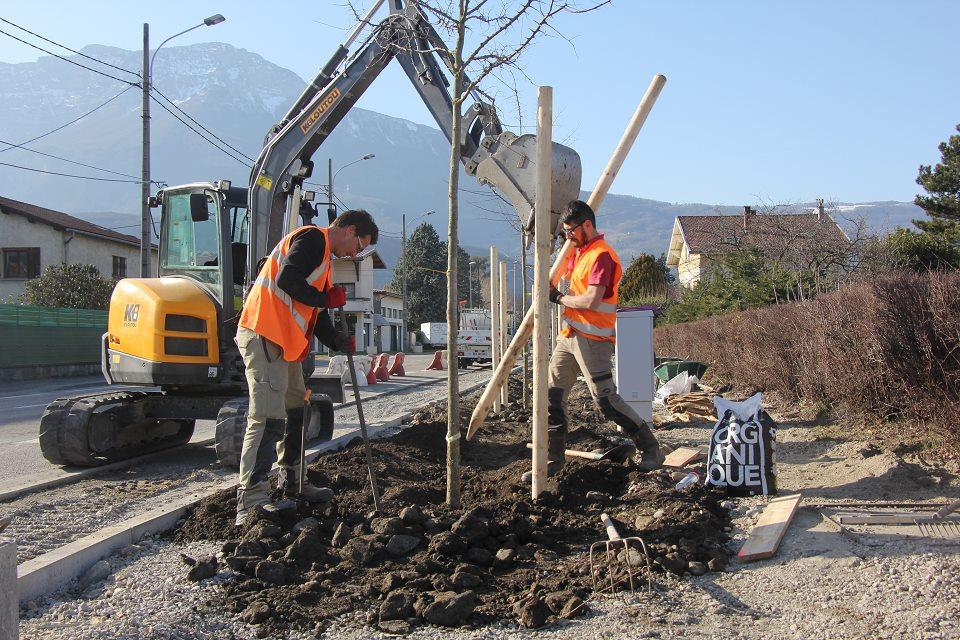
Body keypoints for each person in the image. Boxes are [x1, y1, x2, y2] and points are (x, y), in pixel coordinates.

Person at [234, 209, 379, 526]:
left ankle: (294, 482)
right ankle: (251, 501)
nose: (354, 254)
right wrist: (326, 299)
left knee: (297, 410)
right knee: (267, 416)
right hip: (264, 334)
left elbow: (316, 313)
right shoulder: (313, 238)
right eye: (357, 246)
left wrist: (336, 340)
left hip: (285, 344)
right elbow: (288, 279)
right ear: (349, 230)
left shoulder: (325, 261)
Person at [524, 200, 664, 482]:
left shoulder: (601, 255)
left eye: (571, 232)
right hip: (569, 337)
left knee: (606, 402)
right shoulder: (578, 252)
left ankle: (651, 449)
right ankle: (553, 460)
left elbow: (591, 299)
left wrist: (559, 298)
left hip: (593, 340)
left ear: (587, 225)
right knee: (552, 396)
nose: (568, 238)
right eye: (564, 233)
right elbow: (556, 275)